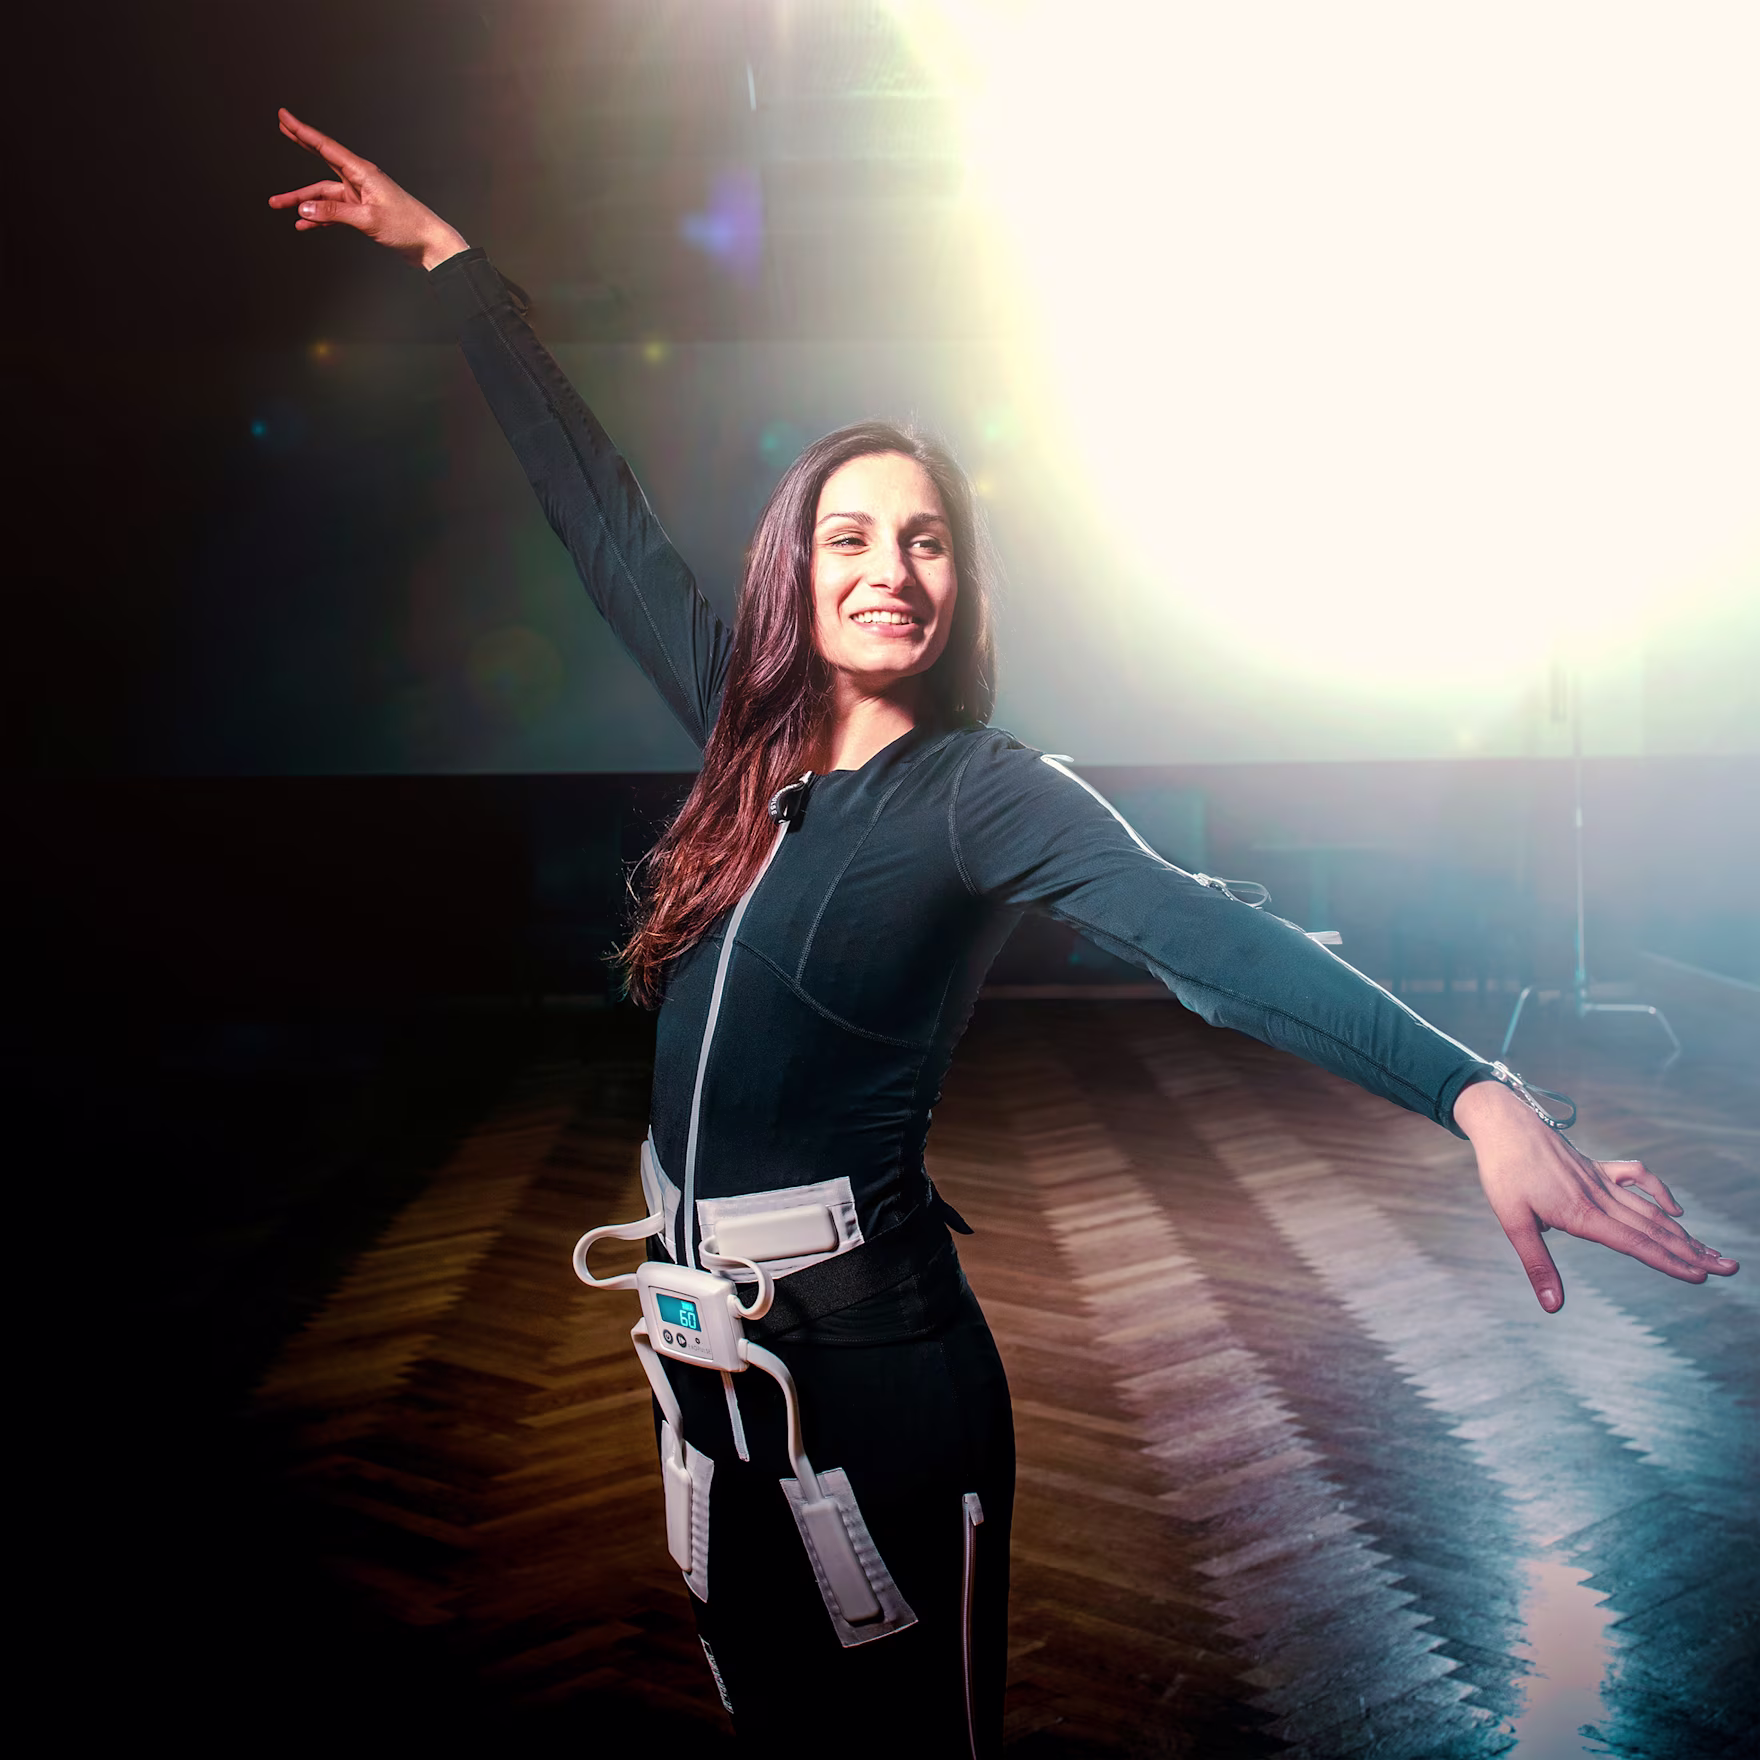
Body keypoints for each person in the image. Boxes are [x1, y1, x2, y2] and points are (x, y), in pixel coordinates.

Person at [268, 109, 1738, 1756]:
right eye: (848, 536)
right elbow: (597, 514)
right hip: (701, 1357)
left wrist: (1477, 1095)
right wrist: (453, 264)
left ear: (959, 582)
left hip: (879, 1373)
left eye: (926, 540)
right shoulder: (742, 731)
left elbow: (1214, 941)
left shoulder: (985, 792)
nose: (889, 569)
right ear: (793, 569)